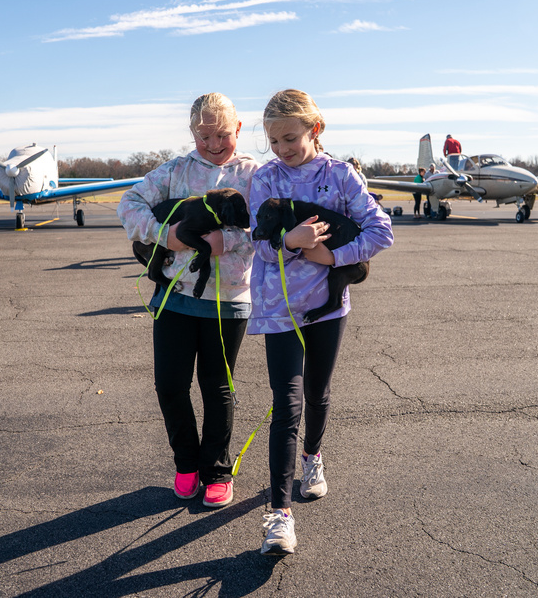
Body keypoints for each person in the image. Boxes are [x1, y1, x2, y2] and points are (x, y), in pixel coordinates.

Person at [248, 89, 394, 554]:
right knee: (286, 401)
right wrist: (290, 240)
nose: (282, 149)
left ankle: (312, 457)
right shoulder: (266, 178)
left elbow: (381, 231)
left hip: (328, 307)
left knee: (317, 393)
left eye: (290, 138)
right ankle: (278, 514)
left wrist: (333, 255)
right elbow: (257, 245)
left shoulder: (341, 175)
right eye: (273, 141)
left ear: (316, 129)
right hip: (279, 308)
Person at [117, 93, 259, 509]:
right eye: (204, 136)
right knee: (170, 385)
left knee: (217, 386)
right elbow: (130, 203)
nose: (214, 144)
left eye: (222, 135)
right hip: (175, 299)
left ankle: (216, 469)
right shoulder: (176, 170)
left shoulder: (256, 174)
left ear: (238, 128)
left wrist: (225, 241)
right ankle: (185, 464)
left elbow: (266, 230)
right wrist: (168, 237)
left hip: (228, 301)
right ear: (192, 132)